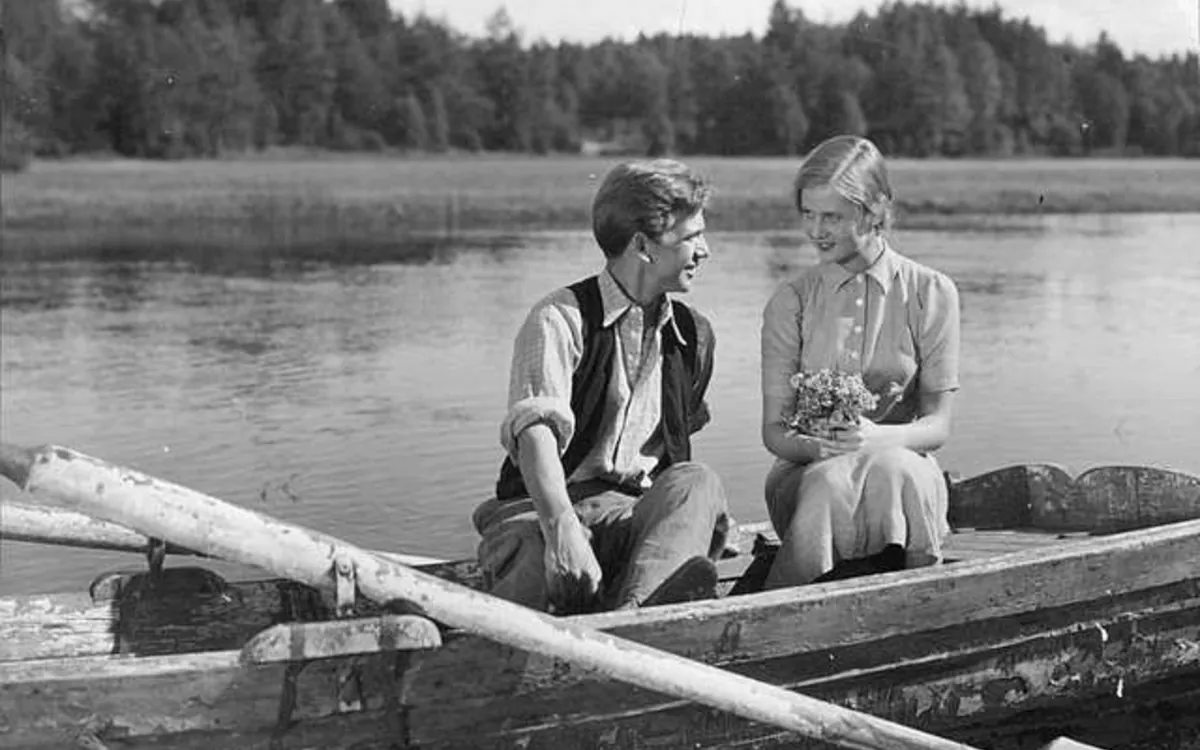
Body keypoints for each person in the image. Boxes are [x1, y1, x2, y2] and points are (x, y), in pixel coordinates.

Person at [472, 159, 731, 615]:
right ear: (642, 246)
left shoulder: (696, 337)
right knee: (531, 553)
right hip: (540, 512)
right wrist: (564, 531)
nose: (705, 250)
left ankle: (637, 623)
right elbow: (536, 438)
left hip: (630, 514)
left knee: (697, 482)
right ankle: (637, 624)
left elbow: (675, 462)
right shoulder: (560, 318)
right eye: (692, 237)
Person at [759, 135, 961, 587]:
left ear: (875, 211)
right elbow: (774, 433)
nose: (816, 231)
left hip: (904, 469)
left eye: (832, 216)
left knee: (894, 465)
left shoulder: (931, 292)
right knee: (831, 481)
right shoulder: (790, 301)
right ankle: (791, 609)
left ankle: (917, 599)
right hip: (808, 475)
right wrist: (826, 448)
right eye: (808, 214)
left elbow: (938, 427)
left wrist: (877, 439)